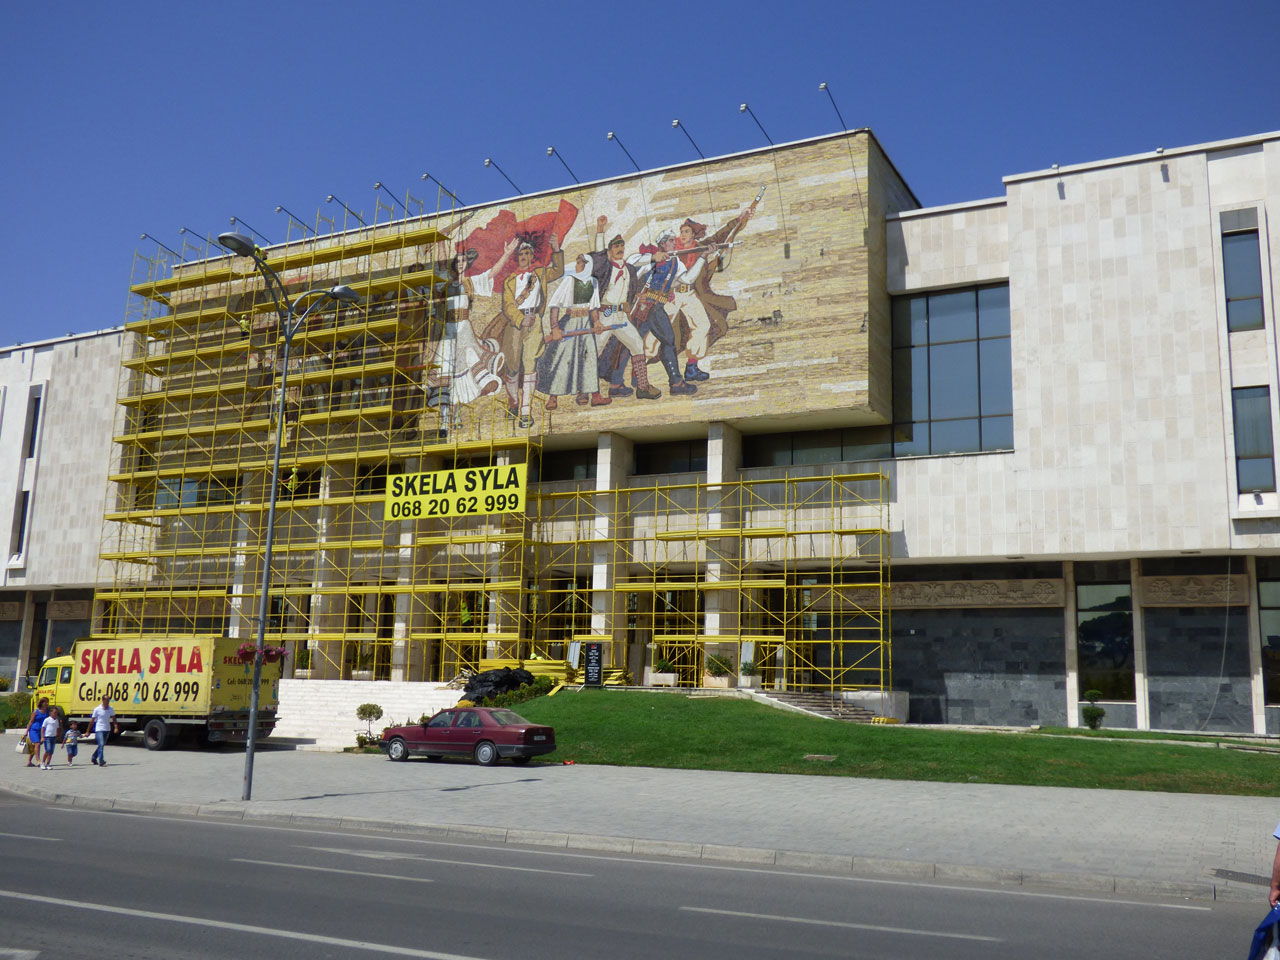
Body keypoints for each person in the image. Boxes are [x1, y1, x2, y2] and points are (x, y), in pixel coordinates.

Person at [588, 216, 659, 400]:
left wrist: (635, 298)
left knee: (637, 345)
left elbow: (631, 290)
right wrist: (600, 229)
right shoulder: (605, 268)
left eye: (621, 246)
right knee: (593, 351)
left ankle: (643, 387)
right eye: (615, 247)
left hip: (621, 317)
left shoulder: (629, 269)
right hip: (606, 314)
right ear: (610, 251)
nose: (619, 249)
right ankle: (588, 391)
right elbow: (599, 253)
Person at [536, 252, 611, 410]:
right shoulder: (569, 281)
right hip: (570, 323)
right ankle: (553, 396)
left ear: (587, 265)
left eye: (580, 263)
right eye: (577, 262)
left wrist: (596, 321)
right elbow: (555, 305)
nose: (577, 266)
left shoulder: (593, 282)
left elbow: (594, 307)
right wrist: (555, 328)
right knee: (562, 358)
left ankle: (594, 395)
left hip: (587, 324)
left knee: (589, 358)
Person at [89, 694, 118, 767]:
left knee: (101, 745)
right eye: (106, 700)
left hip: (107, 729)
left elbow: (114, 718)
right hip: (99, 729)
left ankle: (94, 757)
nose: (108, 701)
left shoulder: (110, 709)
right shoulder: (97, 709)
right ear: (103, 700)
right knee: (101, 744)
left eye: (109, 700)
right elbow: (92, 720)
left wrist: (116, 727)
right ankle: (101, 760)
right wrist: (87, 731)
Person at [24, 696, 48, 769]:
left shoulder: (47, 712)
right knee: (37, 744)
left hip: (42, 731)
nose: (47, 703)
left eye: (47, 702)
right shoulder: (36, 711)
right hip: (34, 730)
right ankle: (38, 760)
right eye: (45, 702)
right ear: (42, 703)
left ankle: (29, 761)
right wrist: (26, 731)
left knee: (35, 746)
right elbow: (31, 721)